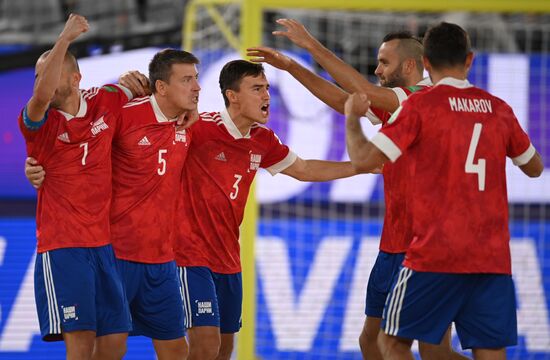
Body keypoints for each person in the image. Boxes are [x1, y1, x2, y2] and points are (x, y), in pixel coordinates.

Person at [248, 21, 468, 360]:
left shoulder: (423, 98)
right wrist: (291, 67)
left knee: (432, 349)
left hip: (427, 247)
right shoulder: (400, 107)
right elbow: (343, 100)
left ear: (410, 66)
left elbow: (360, 89)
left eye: (384, 63)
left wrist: (310, 46)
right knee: (372, 342)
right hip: (394, 244)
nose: (378, 70)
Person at [344, 22, 543, 360]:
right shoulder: (499, 108)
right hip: (492, 258)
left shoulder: (420, 106)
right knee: (484, 353)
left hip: (436, 253)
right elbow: (535, 167)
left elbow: (364, 159)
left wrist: (351, 118)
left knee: (388, 344)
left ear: (426, 64)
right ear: (470, 59)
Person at [174, 60, 363, 360]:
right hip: (190, 256)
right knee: (205, 346)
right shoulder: (199, 128)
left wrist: (360, 166)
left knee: (224, 351)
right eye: (257, 89)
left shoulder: (263, 140)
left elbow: (305, 170)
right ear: (232, 95)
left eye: (267, 89)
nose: (266, 97)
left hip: (228, 259)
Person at [25, 48, 200, 359]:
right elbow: (80, 132)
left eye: (196, 79)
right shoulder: (123, 113)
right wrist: (37, 166)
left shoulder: (190, 125)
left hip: (161, 258)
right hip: (114, 251)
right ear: (161, 86)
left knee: (176, 349)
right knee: (107, 348)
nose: (197, 87)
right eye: (187, 80)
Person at [18, 14, 132, 360]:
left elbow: (139, 87)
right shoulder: (38, 123)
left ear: (76, 78)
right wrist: (63, 40)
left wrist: (182, 110)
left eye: (50, 71)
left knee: (114, 343)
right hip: (63, 247)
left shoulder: (106, 100)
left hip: (103, 246)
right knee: (80, 345)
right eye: (38, 74)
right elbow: (40, 95)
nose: (41, 81)